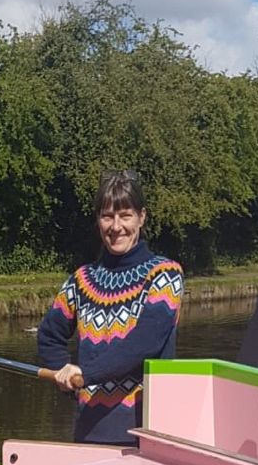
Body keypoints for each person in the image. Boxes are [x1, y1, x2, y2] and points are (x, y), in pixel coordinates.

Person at [37, 170, 184, 445]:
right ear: (98, 221)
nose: (116, 226)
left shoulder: (165, 275)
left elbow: (144, 342)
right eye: (107, 216)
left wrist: (86, 375)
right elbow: (48, 335)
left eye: (125, 215)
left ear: (142, 217)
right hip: (88, 433)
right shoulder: (81, 280)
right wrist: (65, 374)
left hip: (146, 435)